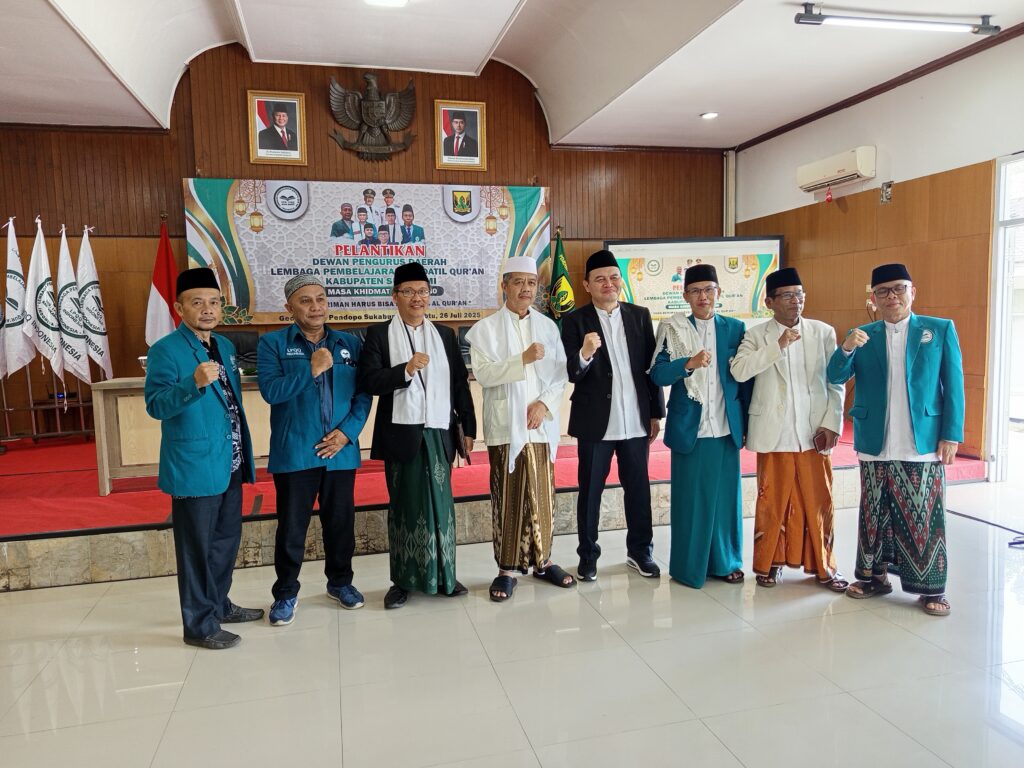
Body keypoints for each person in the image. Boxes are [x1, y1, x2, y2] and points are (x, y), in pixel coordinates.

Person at [827, 263, 964, 616]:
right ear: (873, 298)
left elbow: (954, 386)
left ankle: (932, 588)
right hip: (876, 440)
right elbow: (835, 376)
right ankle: (874, 578)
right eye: (883, 291)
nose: (892, 297)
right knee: (874, 514)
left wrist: (951, 434)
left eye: (899, 288)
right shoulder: (862, 334)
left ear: (912, 292)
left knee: (924, 516)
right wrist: (846, 348)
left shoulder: (939, 329)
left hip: (922, 442)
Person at [144, 267, 263, 650]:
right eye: (198, 303)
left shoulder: (224, 346)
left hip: (230, 460)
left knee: (225, 541)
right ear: (180, 308)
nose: (208, 309)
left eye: (214, 302)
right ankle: (198, 625)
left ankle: (219, 605)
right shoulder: (166, 350)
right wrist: (192, 383)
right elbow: (156, 405)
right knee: (197, 549)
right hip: (194, 464)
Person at [357, 262, 477, 608]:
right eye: (408, 291)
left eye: (423, 291)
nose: (417, 298)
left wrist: (468, 427)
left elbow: (459, 384)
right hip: (401, 434)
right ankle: (402, 581)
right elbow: (369, 381)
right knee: (406, 508)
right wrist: (405, 370)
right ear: (394, 296)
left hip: (439, 431)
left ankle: (445, 576)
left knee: (442, 507)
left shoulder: (445, 335)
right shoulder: (379, 334)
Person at [257, 275, 372, 626]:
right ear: (289, 307)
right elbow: (271, 392)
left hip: (340, 452)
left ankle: (340, 583)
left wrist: (347, 434)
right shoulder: (272, 344)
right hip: (296, 451)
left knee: (340, 524)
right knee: (292, 528)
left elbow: (363, 395)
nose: (316, 306)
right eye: (305, 300)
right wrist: (311, 370)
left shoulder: (349, 343)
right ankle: (285, 593)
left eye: (321, 298)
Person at [730, 267, 848, 591]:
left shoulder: (823, 332)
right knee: (772, 501)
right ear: (769, 302)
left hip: (814, 431)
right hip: (774, 431)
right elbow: (739, 371)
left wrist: (832, 422)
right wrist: (777, 346)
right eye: (787, 295)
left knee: (819, 499)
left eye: (799, 294)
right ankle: (769, 564)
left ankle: (825, 567)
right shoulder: (756, 335)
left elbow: (836, 380)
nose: (796, 301)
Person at [466, 256, 573, 602]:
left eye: (531, 283)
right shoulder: (485, 329)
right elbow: (484, 375)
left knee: (542, 493)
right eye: (518, 282)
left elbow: (559, 374)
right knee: (509, 496)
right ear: (505, 286)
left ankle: (544, 561)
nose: (526, 289)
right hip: (505, 425)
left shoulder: (548, 327)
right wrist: (521, 359)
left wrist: (543, 405)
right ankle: (507, 569)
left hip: (540, 424)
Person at [561, 249, 664, 581]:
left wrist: (655, 413)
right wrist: (585, 353)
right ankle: (588, 555)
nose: (608, 283)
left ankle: (640, 552)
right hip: (595, 423)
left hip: (635, 419)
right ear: (586, 285)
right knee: (591, 492)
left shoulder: (639, 315)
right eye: (600, 279)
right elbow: (571, 373)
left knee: (638, 489)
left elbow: (651, 368)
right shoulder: (574, 321)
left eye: (614, 277)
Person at [650, 264, 749, 588]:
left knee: (725, 501)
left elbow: (745, 380)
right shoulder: (673, 328)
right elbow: (658, 374)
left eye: (708, 290)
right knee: (690, 503)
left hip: (725, 428)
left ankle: (727, 562)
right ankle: (688, 567)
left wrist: (747, 423)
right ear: (685, 296)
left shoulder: (735, 328)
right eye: (695, 291)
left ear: (719, 292)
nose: (703, 296)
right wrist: (688, 364)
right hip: (689, 429)